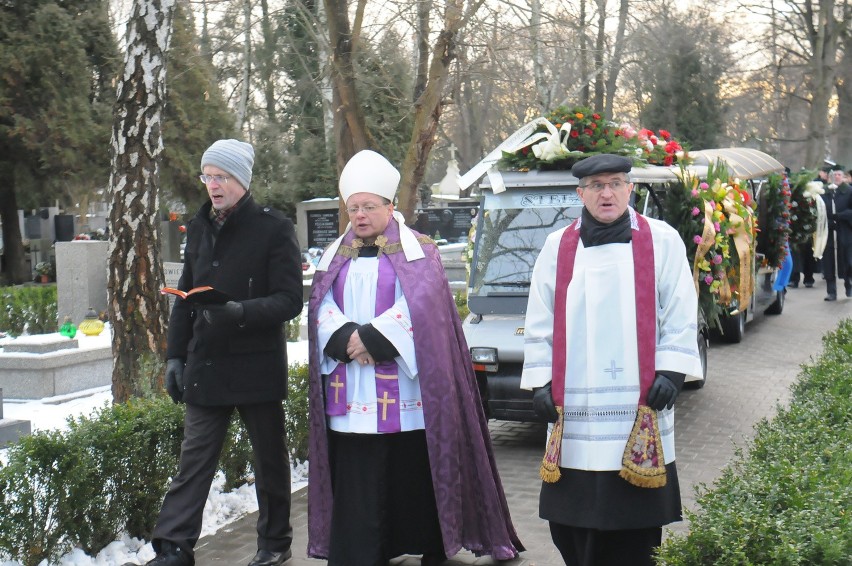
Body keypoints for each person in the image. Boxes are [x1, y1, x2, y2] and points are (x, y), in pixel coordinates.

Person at [306, 150, 523, 566]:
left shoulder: (420, 250)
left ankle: (426, 542)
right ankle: (365, 548)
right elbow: (320, 305)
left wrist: (374, 337)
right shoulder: (335, 254)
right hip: (352, 387)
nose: (361, 215)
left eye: (369, 207)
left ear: (391, 207)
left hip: (406, 389)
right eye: (353, 208)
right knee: (359, 469)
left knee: (410, 467)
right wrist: (345, 337)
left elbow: (426, 306)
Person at [521, 154, 703, 566]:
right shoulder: (557, 246)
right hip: (577, 408)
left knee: (633, 524)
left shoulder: (662, 239)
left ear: (630, 189)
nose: (607, 193)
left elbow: (680, 309)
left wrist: (671, 373)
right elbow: (539, 317)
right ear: (580, 193)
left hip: (637, 406)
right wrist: (540, 383)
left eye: (616, 183)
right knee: (571, 521)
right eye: (597, 185)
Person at [148, 139, 303, 566]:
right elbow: (185, 297)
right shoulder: (198, 227)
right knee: (193, 461)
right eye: (207, 176)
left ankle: (275, 543)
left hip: (255, 364)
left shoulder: (274, 228)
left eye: (221, 177)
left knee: (269, 461)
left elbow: (291, 300)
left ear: (241, 180)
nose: (212, 185)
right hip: (207, 362)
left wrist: (239, 311)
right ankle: (174, 547)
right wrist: (175, 357)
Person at [821, 166, 852, 300]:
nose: (837, 177)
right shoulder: (825, 192)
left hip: (845, 232)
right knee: (829, 262)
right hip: (829, 231)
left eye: (839, 175)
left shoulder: (849, 191)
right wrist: (827, 220)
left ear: (843, 176)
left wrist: (838, 216)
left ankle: (848, 284)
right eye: (834, 175)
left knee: (847, 261)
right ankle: (831, 291)